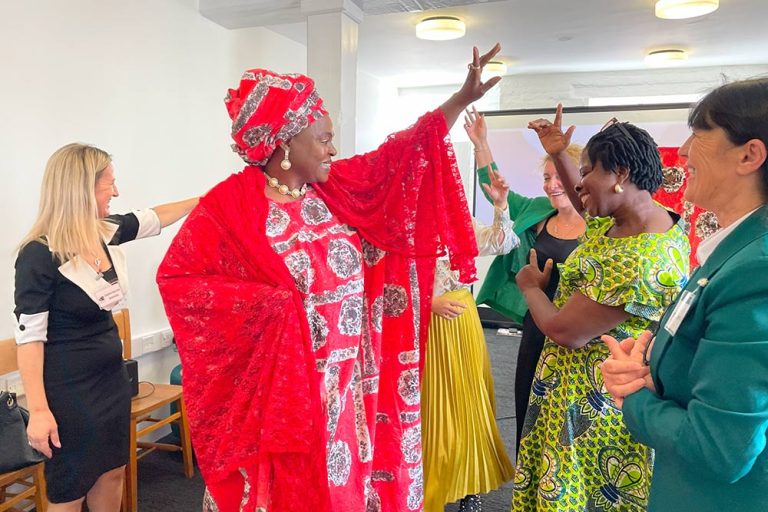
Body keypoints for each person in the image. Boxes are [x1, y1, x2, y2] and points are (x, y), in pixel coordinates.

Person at [156, 45, 502, 512]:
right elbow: (180, 281)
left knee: (344, 489)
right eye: (323, 138)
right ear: (284, 142)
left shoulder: (335, 188)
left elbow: (400, 154)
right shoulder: (228, 208)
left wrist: (459, 99)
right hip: (288, 393)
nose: (333, 148)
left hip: (351, 382)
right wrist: (269, 306)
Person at [510, 105, 690, 511]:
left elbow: (564, 332)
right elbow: (588, 199)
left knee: (577, 495)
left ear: (621, 173)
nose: (579, 184)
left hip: (590, 400)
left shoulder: (638, 259)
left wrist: (530, 288)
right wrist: (560, 152)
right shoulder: (633, 220)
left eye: (587, 169)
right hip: (577, 387)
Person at [601, 78, 768, 512]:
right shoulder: (738, 249)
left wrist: (635, 396)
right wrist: (653, 376)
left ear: (749, 155)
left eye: (699, 134)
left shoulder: (756, 268)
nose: (682, 153)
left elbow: (718, 449)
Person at [13, 143, 198, 511]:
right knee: (70, 486)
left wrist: (209, 198)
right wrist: (38, 411)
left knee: (113, 471)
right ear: (80, 189)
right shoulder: (38, 255)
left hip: (111, 383)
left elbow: (155, 217)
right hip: (68, 393)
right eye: (108, 184)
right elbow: (29, 340)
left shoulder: (103, 232)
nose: (115, 192)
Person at [466, 106, 586, 453]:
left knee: (569, 419)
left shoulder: (599, 221)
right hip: (538, 326)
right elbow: (494, 187)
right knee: (529, 407)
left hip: (580, 330)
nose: (551, 184)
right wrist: (481, 143)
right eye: (547, 177)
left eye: (558, 176)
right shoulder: (536, 211)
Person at [422, 165, 517, 512]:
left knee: (468, 402)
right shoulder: (403, 226)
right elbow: (389, 280)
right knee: (430, 405)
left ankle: (469, 483)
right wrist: (429, 303)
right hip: (424, 322)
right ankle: (427, 480)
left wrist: (501, 206)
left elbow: (504, 242)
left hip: (462, 320)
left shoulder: (459, 222)